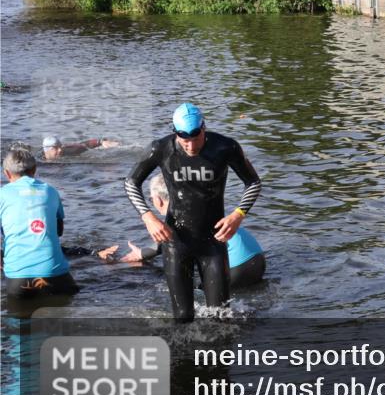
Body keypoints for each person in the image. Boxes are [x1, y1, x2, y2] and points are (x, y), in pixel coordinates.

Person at [124, 103, 262, 322]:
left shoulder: (225, 147)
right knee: (182, 317)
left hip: (213, 242)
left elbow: (253, 182)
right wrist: (148, 217)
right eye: (184, 140)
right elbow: (131, 183)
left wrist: (238, 214)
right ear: (175, 133)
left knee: (221, 318)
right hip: (176, 242)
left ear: (203, 128)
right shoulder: (160, 149)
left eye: (195, 139)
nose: (190, 146)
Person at [121, 173, 266, 288]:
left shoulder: (178, 216)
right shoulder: (197, 208)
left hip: (237, 270)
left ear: (157, 200)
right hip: (258, 262)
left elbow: (163, 243)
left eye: (150, 198)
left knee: (175, 285)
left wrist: (139, 254)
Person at [0, 148, 79, 299]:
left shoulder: (1, 194)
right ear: (35, 169)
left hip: (18, 278)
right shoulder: (50, 191)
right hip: (55, 274)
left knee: (17, 319)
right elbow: (58, 231)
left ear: (7, 173)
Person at [42, 136, 120, 161]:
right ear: (47, 149)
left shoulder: (67, 151)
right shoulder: (38, 161)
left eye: (60, 146)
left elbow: (84, 145)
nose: (60, 149)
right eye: (56, 148)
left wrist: (101, 142)